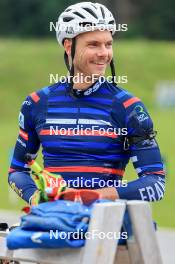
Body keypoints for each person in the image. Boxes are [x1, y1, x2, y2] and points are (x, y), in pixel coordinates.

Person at [8, 2, 165, 206]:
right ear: (68, 45)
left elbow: (155, 183)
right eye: (93, 44)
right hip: (55, 219)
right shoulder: (36, 103)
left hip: (105, 226)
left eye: (108, 44)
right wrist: (37, 197)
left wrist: (95, 196)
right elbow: (18, 171)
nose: (104, 53)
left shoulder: (130, 108)